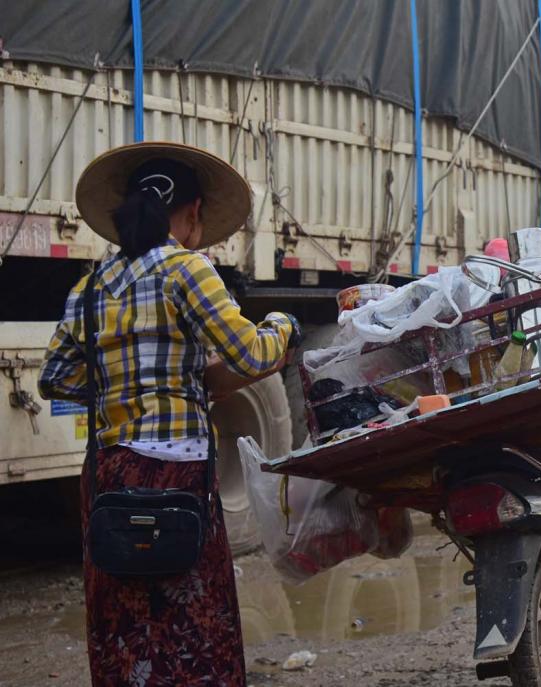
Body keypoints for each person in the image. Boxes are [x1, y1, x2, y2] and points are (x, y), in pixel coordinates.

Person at [38, 142, 298, 686]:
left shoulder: (90, 288)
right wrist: (284, 326)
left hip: (110, 476)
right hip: (176, 474)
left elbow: (54, 378)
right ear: (194, 212)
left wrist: (120, 388)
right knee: (193, 627)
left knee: (125, 623)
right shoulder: (187, 270)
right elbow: (249, 354)